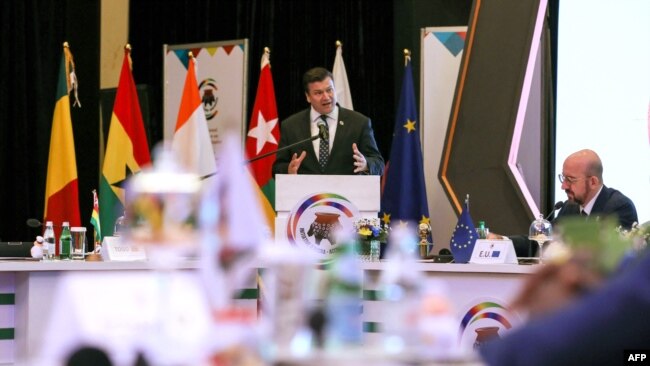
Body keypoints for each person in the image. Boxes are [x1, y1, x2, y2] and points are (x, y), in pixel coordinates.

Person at [492, 149, 638, 257]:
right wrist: (503, 241)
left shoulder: (619, 207)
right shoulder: (570, 208)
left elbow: (608, 258)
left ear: (593, 182)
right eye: (563, 178)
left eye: (571, 180)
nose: (564, 186)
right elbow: (541, 242)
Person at [272, 67, 384, 176]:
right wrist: (288, 170)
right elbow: (277, 168)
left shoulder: (359, 123)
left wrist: (365, 164)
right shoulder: (291, 126)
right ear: (308, 97)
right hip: (306, 193)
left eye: (329, 90)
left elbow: (378, 163)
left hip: (346, 193)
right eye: (318, 93)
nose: (326, 97)